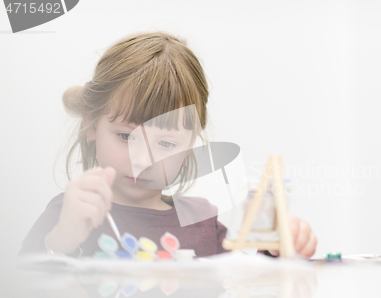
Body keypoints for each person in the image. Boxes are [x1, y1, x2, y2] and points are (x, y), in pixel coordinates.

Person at [19, 32, 317, 258]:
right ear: (90, 124)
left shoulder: (202, 223)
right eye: (126, 136)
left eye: (165, 143)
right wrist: (62, 239)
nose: (143, 160)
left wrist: (277, 248)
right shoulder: (71, 211)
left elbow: (243, 286)